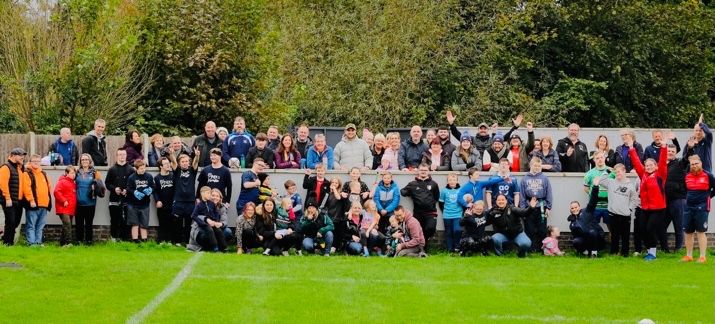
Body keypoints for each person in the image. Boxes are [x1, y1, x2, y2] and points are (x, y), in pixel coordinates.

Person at [629, 137, 667, 261]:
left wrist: (664, 147)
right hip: (645, 207)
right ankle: (650, 250)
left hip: (658, 208)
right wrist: (631, 148)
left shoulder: (660, 174)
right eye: (647, 165)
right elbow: (636, 162)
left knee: (650, 229)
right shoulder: (643, 175)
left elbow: (662, 161)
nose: (649, 167)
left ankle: (653, 253)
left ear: (655, 166)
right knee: (642, 229)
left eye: (651, 165)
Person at [596, 164, 639, 256]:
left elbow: (634, 199)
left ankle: (624, 254)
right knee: (614, 235)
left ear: (624, 171)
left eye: (619, 171)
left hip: (625, 215)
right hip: (613, 213)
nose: (617, 173)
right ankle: (613, 253)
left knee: (625, 236)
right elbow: (601, 180)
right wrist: (607, 171)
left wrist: (630, 209)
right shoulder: (611, 182)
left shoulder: (630, 185)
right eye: (616, 172)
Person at [682, 155, 715, 263]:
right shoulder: (687, 175)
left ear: (701, 163)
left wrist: (708, 196)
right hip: (688, 206)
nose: (694, 166)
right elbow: (684, 189)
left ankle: (702, 257)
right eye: (692, 164)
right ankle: (689, 256)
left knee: (701, 231)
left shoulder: (708, 175)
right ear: (690, 165)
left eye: (696, 163)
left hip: (702, 206)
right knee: (688, 232)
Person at [400, 163, 440, 245]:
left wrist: (430, 203)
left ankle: (424, 242)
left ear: (428, 171)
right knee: (417, 231)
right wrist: (407, 192)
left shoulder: (434, 184)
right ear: (418, 171)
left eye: (425, 170)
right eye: (421, 170)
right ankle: (421, 249)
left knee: (430, 228)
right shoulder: (412, 184)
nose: (423, 172)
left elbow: (436, 197)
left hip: (430, 212)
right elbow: (403, 192)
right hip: (418, 213)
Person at [519, 158, 553, 251]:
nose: (537, 167)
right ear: (531, 165)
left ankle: (543, 249)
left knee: (542, 229)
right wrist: (523, 209)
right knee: (529, 229)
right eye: (535, 165)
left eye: (539, 166)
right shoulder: (525, 179)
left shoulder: (544, 178)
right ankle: (530, 249)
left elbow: (549, 193)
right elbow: (522, 195)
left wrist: (549, 207)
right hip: (529, 206)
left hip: (541, 205)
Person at [665, 143, 693, 251]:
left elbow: (686, 158)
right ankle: (665, 248)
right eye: (668, 151)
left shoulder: (680, 163)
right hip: (665, 200)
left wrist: (690, 148)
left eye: (672, 151)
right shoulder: (662, 164)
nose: (670, 153)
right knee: (661, 225)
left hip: (678, 200)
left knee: (679, 226)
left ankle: (678, 248)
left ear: (675, 153)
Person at [170, 150, 200, 245]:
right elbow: (173, 162)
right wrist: (171, 154)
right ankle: (177, 242)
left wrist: (197, 155)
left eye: (186, 161)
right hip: (178, 201)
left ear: (189, 162)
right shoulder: (177, 170)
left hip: (190, 201)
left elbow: (195, 162)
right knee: (177, 223)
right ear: (180, 163)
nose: (185, 163)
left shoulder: (192, 170)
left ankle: (188, 242)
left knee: (188, 223)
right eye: (182, 161)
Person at [21, 154, 51, 246]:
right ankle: (31, 243)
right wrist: (31, 200)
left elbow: (48, 187)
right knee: (31, 225)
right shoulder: (27, 173)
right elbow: (26, 188)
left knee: (40, 226)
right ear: (30, 162)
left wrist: (48, 201)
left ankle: (38, 243)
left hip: (44, 204)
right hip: (33, 204)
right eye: (34, 161)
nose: (36, 163)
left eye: (38, 161)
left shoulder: (43, 173)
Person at [567, 186, 606, 257]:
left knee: (592, 232)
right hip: (586, 241)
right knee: (575, 241)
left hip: (597, 239)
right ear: (570, 210)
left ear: (579, 207)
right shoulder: (572, 223)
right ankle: (586, 253)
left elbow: (593, 200)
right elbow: (576, 237)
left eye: (576, 207)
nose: (574, 209)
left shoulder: (587, 211)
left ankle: (594, 253)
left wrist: (595, 187)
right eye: (572, 208)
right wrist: (574, 221)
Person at [105, 149, 134, 241]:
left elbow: (134, 184)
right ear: (117, 156)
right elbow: (107, 183)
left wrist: (127, 190)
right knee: (114, 220)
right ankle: (113, 238)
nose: (122, 156)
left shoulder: (131, 169)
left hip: (127, 200)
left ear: (126, 156)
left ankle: (124, 239)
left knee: (125, 220)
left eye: (124, 154)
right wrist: (114, 189)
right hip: (114, 199)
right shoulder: (112, 169)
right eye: (120, 154)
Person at [187, 186, 226, 252]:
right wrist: (202, 223)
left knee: (218, 231)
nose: (210, 195)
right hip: (204, 224)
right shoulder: (199, 205)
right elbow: (193, 216)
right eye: (208, 193)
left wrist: (215, 221)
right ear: (202, 194)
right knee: (210, 231)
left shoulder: (211, 204)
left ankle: (224, 247)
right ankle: (215, 247)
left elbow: (216, 212)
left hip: (212, 223)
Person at [75, 153, 101, 245]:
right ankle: (79, 240)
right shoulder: (76, 172)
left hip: (90, 202)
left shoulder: (95, 172)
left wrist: (96, 187)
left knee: (89, 223)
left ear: (90, 161)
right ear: (80, 162)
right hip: (78, 202)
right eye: (83, 160)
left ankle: (89, 241)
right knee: (79, 223)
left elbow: (100, 186)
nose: (84, 161)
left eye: (86, 159)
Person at [0, 148, 25, 245]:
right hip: (9, 200)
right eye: (20, 155)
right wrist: (7, 198)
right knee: (10, 221)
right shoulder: (5, 167)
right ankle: (7, 243)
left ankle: (7, 239)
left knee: (16, 222)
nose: (22, 157)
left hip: (18, 201)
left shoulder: (19, 168)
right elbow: (3, 184)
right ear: (13, 155)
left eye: (23, 155)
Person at [583, 151, 612, 232]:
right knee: (593, 228)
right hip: (595, 207)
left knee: (612, 228)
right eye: (597, 158)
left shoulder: (611, 171)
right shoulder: (589, 173)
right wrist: (594, 196)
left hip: (609, 206)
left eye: (601, 157)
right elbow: (586, 188)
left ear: (605, 158)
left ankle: (612, 240)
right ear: (594, 160)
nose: (600, 160)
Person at [126, 160, 154, 243]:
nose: (143, 170)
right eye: (141, 168)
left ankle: (144, 240)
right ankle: (135, 240)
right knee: (134, 223)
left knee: (144, 223)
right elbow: (128, 188)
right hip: (133, 204)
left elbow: (153, 186)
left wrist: (150, 189)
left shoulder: (149, 176)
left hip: (145, 204)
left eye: (144, 168)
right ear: (136, 168)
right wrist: (135, 192)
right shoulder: (131, 177)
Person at [153, 157, 176, 244]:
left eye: (168, 163)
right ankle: (162, 241)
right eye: (166, 164)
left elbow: (176, 190)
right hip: (162, 205)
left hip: (172, 204)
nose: (168, 165)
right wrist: (157, 200)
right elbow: (155, 191)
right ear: (161, 166)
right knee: (162, 223)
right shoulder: (157, 178)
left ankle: (170, 241)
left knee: (171, 223)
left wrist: (175, 201)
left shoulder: (173, 176)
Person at [54, 166, 77, 246]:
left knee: (66, 225)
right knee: (67, 225)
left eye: (74, 173)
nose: (73, 175)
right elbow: (56, 192)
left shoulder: (73, 183)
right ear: (66, 173)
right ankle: (68, 243)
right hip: (63, 208)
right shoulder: (62, 182)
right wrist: (64, 200)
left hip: (71, 208)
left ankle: (62, 243)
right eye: (72, 173)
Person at [439, 173, 462, 252]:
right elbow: (441, 203)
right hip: (447, 215)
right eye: (450, 180)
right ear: (447, 182)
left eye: (454, 180)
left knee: (457, 230)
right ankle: (450, 249)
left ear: (457, 181)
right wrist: (445, 211)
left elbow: (463, 202)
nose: (452, 182)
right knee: (448, 233)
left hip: (458, 214)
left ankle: (457, 247)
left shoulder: (461, 190)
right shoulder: (444, 191)